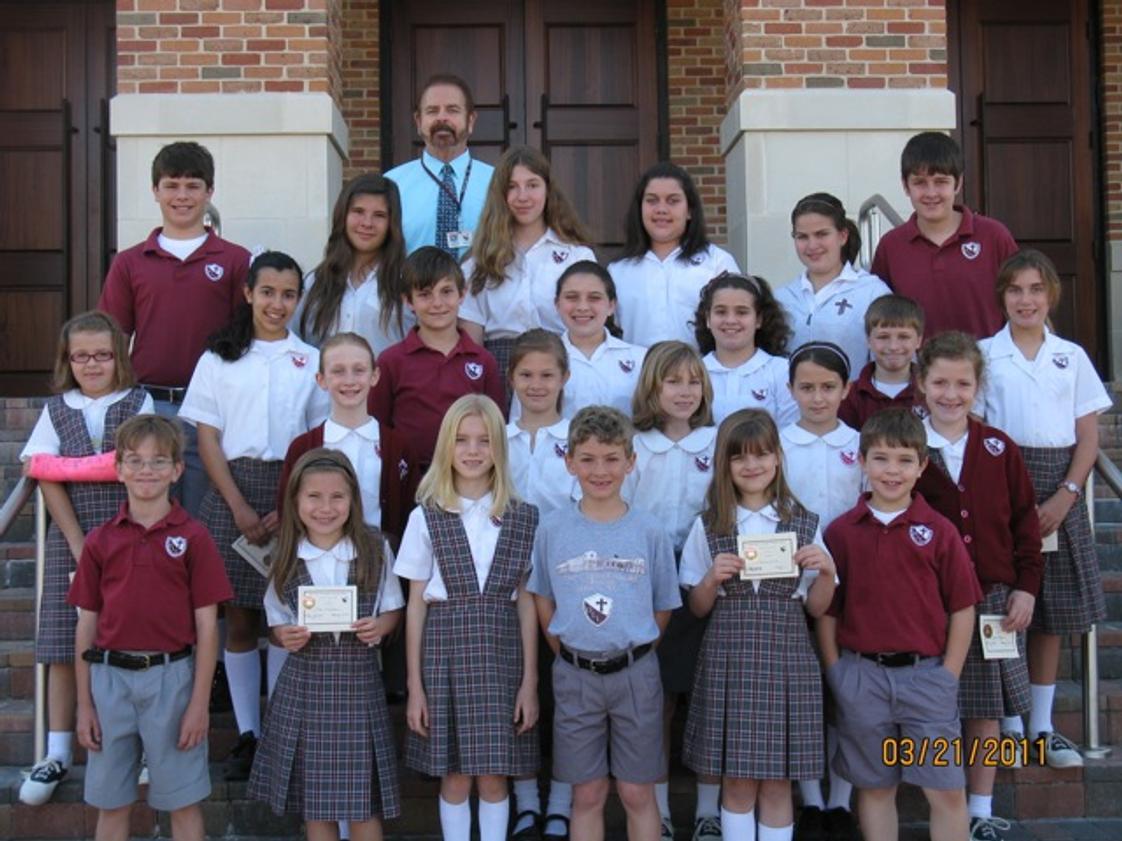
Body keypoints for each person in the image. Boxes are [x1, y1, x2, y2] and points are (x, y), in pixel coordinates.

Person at [179, 251, 330, 780]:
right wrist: (240, 506)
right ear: (248, 293)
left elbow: (316, 440)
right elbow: (207, 437)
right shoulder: (218, 359)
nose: (277, 303)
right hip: (231, 490)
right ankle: (250, 733)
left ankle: (284, 734)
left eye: (289, 294)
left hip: (292, 490)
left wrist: (286, 502)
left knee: (283, 615)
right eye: (268, 292)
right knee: (240, 615)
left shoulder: (310, 360)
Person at [978, 249, 1114, 768]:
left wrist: (1066, 494)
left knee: (1051, 609)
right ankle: (1008, 723)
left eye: (1035, 290)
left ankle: (1041, 725)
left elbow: (1086, 436)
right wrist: (1002, 504)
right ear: (1002, 298)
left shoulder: (1071, 356)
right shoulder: (985, 356)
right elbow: (980, 434)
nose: (1026, 299)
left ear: (1050, 295)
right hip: (1003, 486)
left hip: (1058, 489)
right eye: (1015, 290)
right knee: (1006, 605)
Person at [69, 414, 233, 841]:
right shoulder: (100, 541)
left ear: (178, 470)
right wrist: (84, 704)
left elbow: (208, 627)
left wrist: (199, 703)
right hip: (109, 680)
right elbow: (85, 625)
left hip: (172, 680)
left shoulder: (194, 538)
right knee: (112, 802)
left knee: (182, 801)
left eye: (159, 461)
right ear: (118, 468)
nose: (147, 470)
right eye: (135, 460)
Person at [820, 409, 982, 841]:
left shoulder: (940, 531)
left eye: (904, 460)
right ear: (862, 461)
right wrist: (837, 670)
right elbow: (829, 611)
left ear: (922, 466)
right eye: (882, 459)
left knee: (945, 791)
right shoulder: (841, 533)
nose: (892, 471)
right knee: (875, 789)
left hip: (926, 679)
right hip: (862, 678)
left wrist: (949, 674)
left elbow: (963, 607)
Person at [680, 409, 837, 841]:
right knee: (736, 779)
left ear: (778, 458)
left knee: (777, 780)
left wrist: (824, 571)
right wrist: (712, 578)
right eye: (739, 458)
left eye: (762, 455)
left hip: (786, 654)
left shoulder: (804, 523)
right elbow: (696, 606)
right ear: (724, 465)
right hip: (729, 654)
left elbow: (819, 608)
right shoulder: (709, 524)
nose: (752, 466)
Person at [17, 312, 154, 806]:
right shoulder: (57, 409)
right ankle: (56, 750)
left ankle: (135, 746)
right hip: (71, 536)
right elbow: (41, 472)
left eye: (102, 355)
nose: (92, 364)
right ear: (67, 361)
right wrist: (78, 544)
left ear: (119, 357)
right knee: (60, 641)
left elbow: (139, 462)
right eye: (81, 356)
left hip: (131, 533)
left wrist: (70, 465)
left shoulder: (139, 401)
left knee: (131, 641)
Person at [528, 406, 680, 841]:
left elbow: (663, 606)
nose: (600, 470)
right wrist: (569, 651)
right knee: (588, 793)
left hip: (635, 673)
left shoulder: (649, 531)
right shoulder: (553, 529)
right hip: (575, 674)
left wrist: (631, 650)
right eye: (589, 459)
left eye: (612, 458)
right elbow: (544, 598)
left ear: (631, 463)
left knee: (636, 792)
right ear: (570, 462)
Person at [914, 331, 1042, 841]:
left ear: (977, 385)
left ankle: (981, 806)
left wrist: (1026, 585)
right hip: (927, 601)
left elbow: (1024, 524)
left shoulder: (997, 446)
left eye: (962, 383)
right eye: (940, 382)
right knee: (934, 706)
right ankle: (941, 807)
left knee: (986, 709)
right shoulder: (906, 445)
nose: (950, 394)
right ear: (921, 383)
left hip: (991, 597)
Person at [395, 395, 540, 841]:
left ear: (500, 447)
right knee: (454, 774)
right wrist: (415, 685)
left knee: (495, 774)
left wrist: (530, 682)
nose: (473, 450)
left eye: (484, 440)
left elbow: (527, 601)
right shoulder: (426, 517)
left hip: (502, 656)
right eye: (462, 440)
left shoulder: (523, 517)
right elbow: (416, 603)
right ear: (446, 447)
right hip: (444, 653)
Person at [248, 449, 404, 841]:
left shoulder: (374, 548)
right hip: (306, 690)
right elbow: (275, 621)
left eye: (337, 497)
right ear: (295, 501)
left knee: (364, 804)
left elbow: (393, 609)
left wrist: (379, 628)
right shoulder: (284, 553)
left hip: (358, 688)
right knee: (317, 808)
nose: (325, 508)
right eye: (313, 497)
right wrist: (283, 636)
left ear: (353, 499)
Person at [98, 140, 251, 514]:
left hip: (212, 414)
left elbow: (247, 338)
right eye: (171, 185)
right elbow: (113, 339)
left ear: (209, 191)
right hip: (149, 404)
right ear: (155, 191)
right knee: (149, 514)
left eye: (193, 186)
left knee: (204, 516)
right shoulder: (130, 262)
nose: (182, 196)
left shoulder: (236, 260)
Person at [627, 341, 719, 841]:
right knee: (656, 702)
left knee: (708, 697)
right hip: (650, 584)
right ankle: (658, 810)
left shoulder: (718, 438)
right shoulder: (635, 444)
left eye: (692, 381)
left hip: (708, 578)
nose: (684, 392)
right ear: (651, 387)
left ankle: (708, 808)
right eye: (672, 381)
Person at [779, 343, 862, 841]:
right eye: (806, 388)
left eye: (828, 387)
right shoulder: (779, 444)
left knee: (846, 694)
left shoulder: (859, 443)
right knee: (805, 697)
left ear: (846, 390)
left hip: (851, 585)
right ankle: (810, 799)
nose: (817, 397)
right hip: (792, 586)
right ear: (791, 390)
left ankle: (841, 801)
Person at [504, 330, 578, 841]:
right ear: (510, 378)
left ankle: (564, 800)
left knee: (569, 696)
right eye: (526, 375)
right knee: (516, 689)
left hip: (566, 582)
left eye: (547, 375)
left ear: (564, 379)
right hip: (506, 587)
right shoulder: (496, 437)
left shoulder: (578, 440)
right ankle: (526, 800)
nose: (536, 385)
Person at [368, 247, 506, 518]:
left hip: (469, 482)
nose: (437, 303)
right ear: (408, 300)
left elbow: (496, 427)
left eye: (446, 291)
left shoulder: (483, 361)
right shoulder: (390, 361)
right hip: (410, 484)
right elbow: (378, 430)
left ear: (462, 294)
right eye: (424, 294)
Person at [460, 145, 595, 382]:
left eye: (532, 185)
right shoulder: (478, 263)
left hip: (563, 367)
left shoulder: (577, 257)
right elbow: (472, 345)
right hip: (500, 368)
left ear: (548, 190)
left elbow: (590, 330)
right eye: (512, 187)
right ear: (500, 195)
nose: (523, 196)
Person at [870, 132, 1018, 339]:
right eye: (920, 182)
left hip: (987, 367)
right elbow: (880, 317)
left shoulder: (994, 236)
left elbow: (1024, 301)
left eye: (941, 182)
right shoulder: (891, 246)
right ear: (905, 186)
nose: (931, 193)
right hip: (919, 369)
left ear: (957, 184)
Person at [609, 163, 740, 348]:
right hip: (637, 375)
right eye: (652, 200)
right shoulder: (618, 270)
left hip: (700, 374)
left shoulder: (717, 263)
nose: (661, 209)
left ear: (689, 211)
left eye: (673, 201)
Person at [294, 174, 411, 356]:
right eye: (358, 211)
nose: (367, 223)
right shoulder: (315, 282)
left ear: (391, 223)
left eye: (379, 215)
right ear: (343, 215)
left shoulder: (406, 282)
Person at [777, 193, 890, 377]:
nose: (812, 245)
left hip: (853, 403)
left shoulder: (872, 293)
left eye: (821, 234)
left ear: (843, 236)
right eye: (802, 237)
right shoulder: (782, 297)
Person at [386, 74, 495, 257]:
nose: (442, 118)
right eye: (432, 111)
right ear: (418, 122)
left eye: (452, 110)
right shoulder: (391, 185)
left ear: (470, 120)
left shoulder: (498, 182)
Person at [694, 273, 797, 426]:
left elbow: (789, 433)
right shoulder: (694, 371)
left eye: (742, 312)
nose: (730, 320)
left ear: (759, 319)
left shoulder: (781, 371)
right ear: (708, 318)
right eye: (721, 312)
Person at [554, 261, 646, 418]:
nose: (582, 307)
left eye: (594, 298)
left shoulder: (640, 359)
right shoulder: (543, 358)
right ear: (557, 304)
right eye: (572, 297)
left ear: (611, 306)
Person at [837, 295, 925, 430]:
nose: (893, 346)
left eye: (903, 337)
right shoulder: (850, 397)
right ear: (868, 340)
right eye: (883, 337)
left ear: (918, 341)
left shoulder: (930, 393)